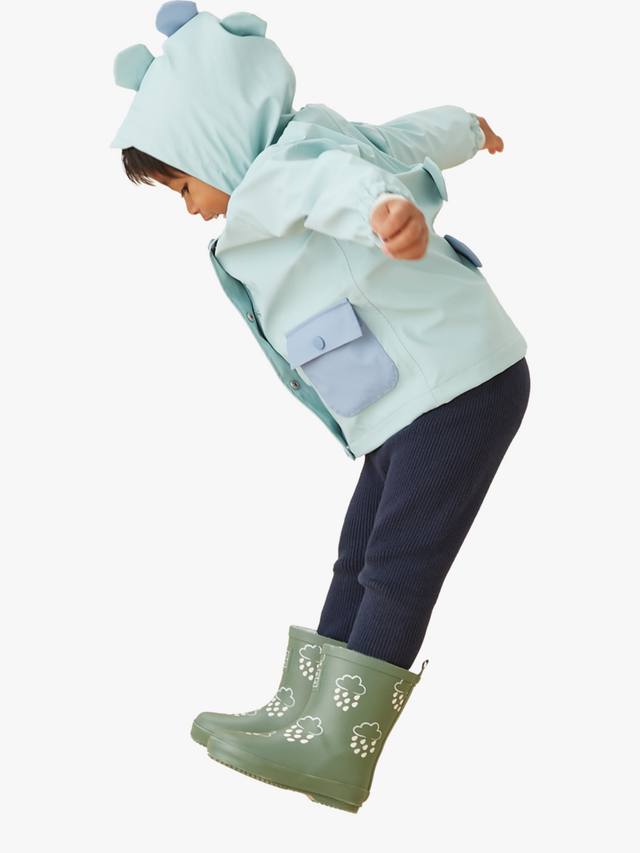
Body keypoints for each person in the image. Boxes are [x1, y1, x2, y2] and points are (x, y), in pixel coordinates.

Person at [110, 2, 531, 813]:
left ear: (215, 142)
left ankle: (340, 747)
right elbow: (406, 137)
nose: (192, 208)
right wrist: (469, 129)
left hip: (453, 386)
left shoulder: (289, 169)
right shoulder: (313, 146)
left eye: (184, 185)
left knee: (397, 562)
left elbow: (351, 186)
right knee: (356, 554)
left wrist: (386, 213)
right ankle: (304, 709)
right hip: (413, 396)